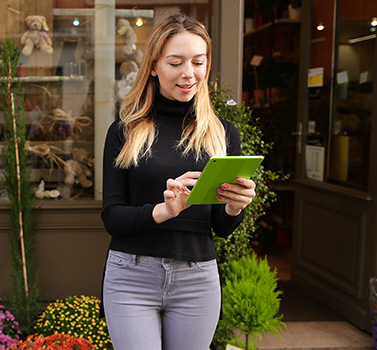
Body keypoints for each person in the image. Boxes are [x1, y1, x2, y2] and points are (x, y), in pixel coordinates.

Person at [101, 12, 257, 350]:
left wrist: (234, 206)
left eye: (198, 62)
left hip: (197, 278)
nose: (189, 74)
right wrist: (164, 210)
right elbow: (112, 217)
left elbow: (221, 227)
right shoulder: (124, 131)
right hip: (132, 277)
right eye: (176, 62)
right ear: (154, 66)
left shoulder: (222, 134)